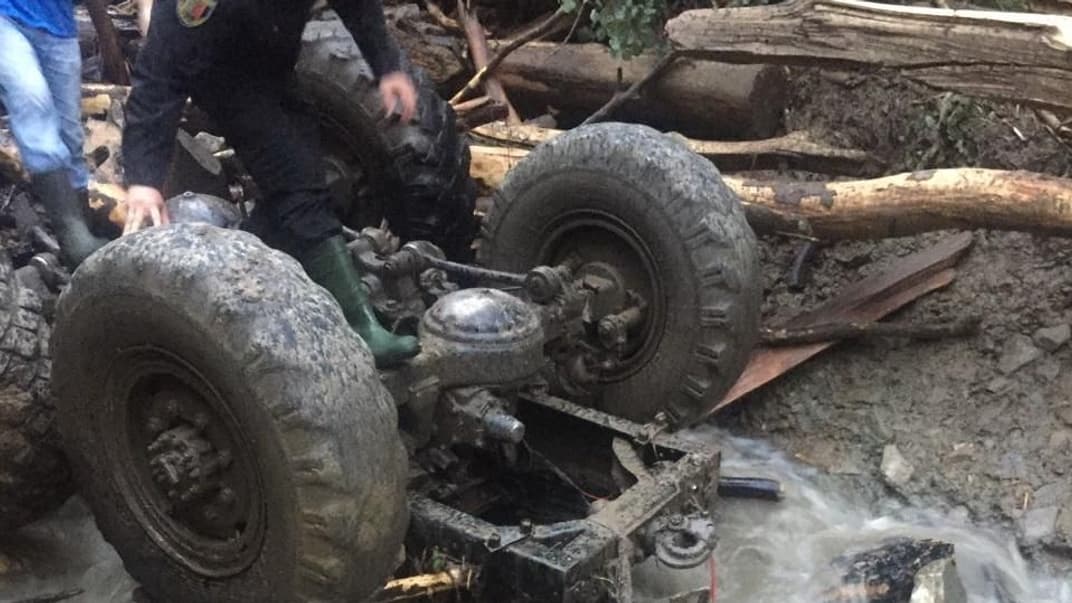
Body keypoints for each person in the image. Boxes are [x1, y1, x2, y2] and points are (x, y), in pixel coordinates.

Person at [120, 0, 421, 368]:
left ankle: (247, 264)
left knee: (307, 165)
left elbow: (356, 5)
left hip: (273, 61)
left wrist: (387, 66)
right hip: (219, 72)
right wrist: (144, 178)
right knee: (296, 177)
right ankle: (361, 327)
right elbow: (158, 74)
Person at [0, 0, 107, 268]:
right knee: (31, 97)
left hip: (58, 27)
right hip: (6, 17)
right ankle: (73, 238)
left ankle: (83, 234)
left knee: (69, 134)